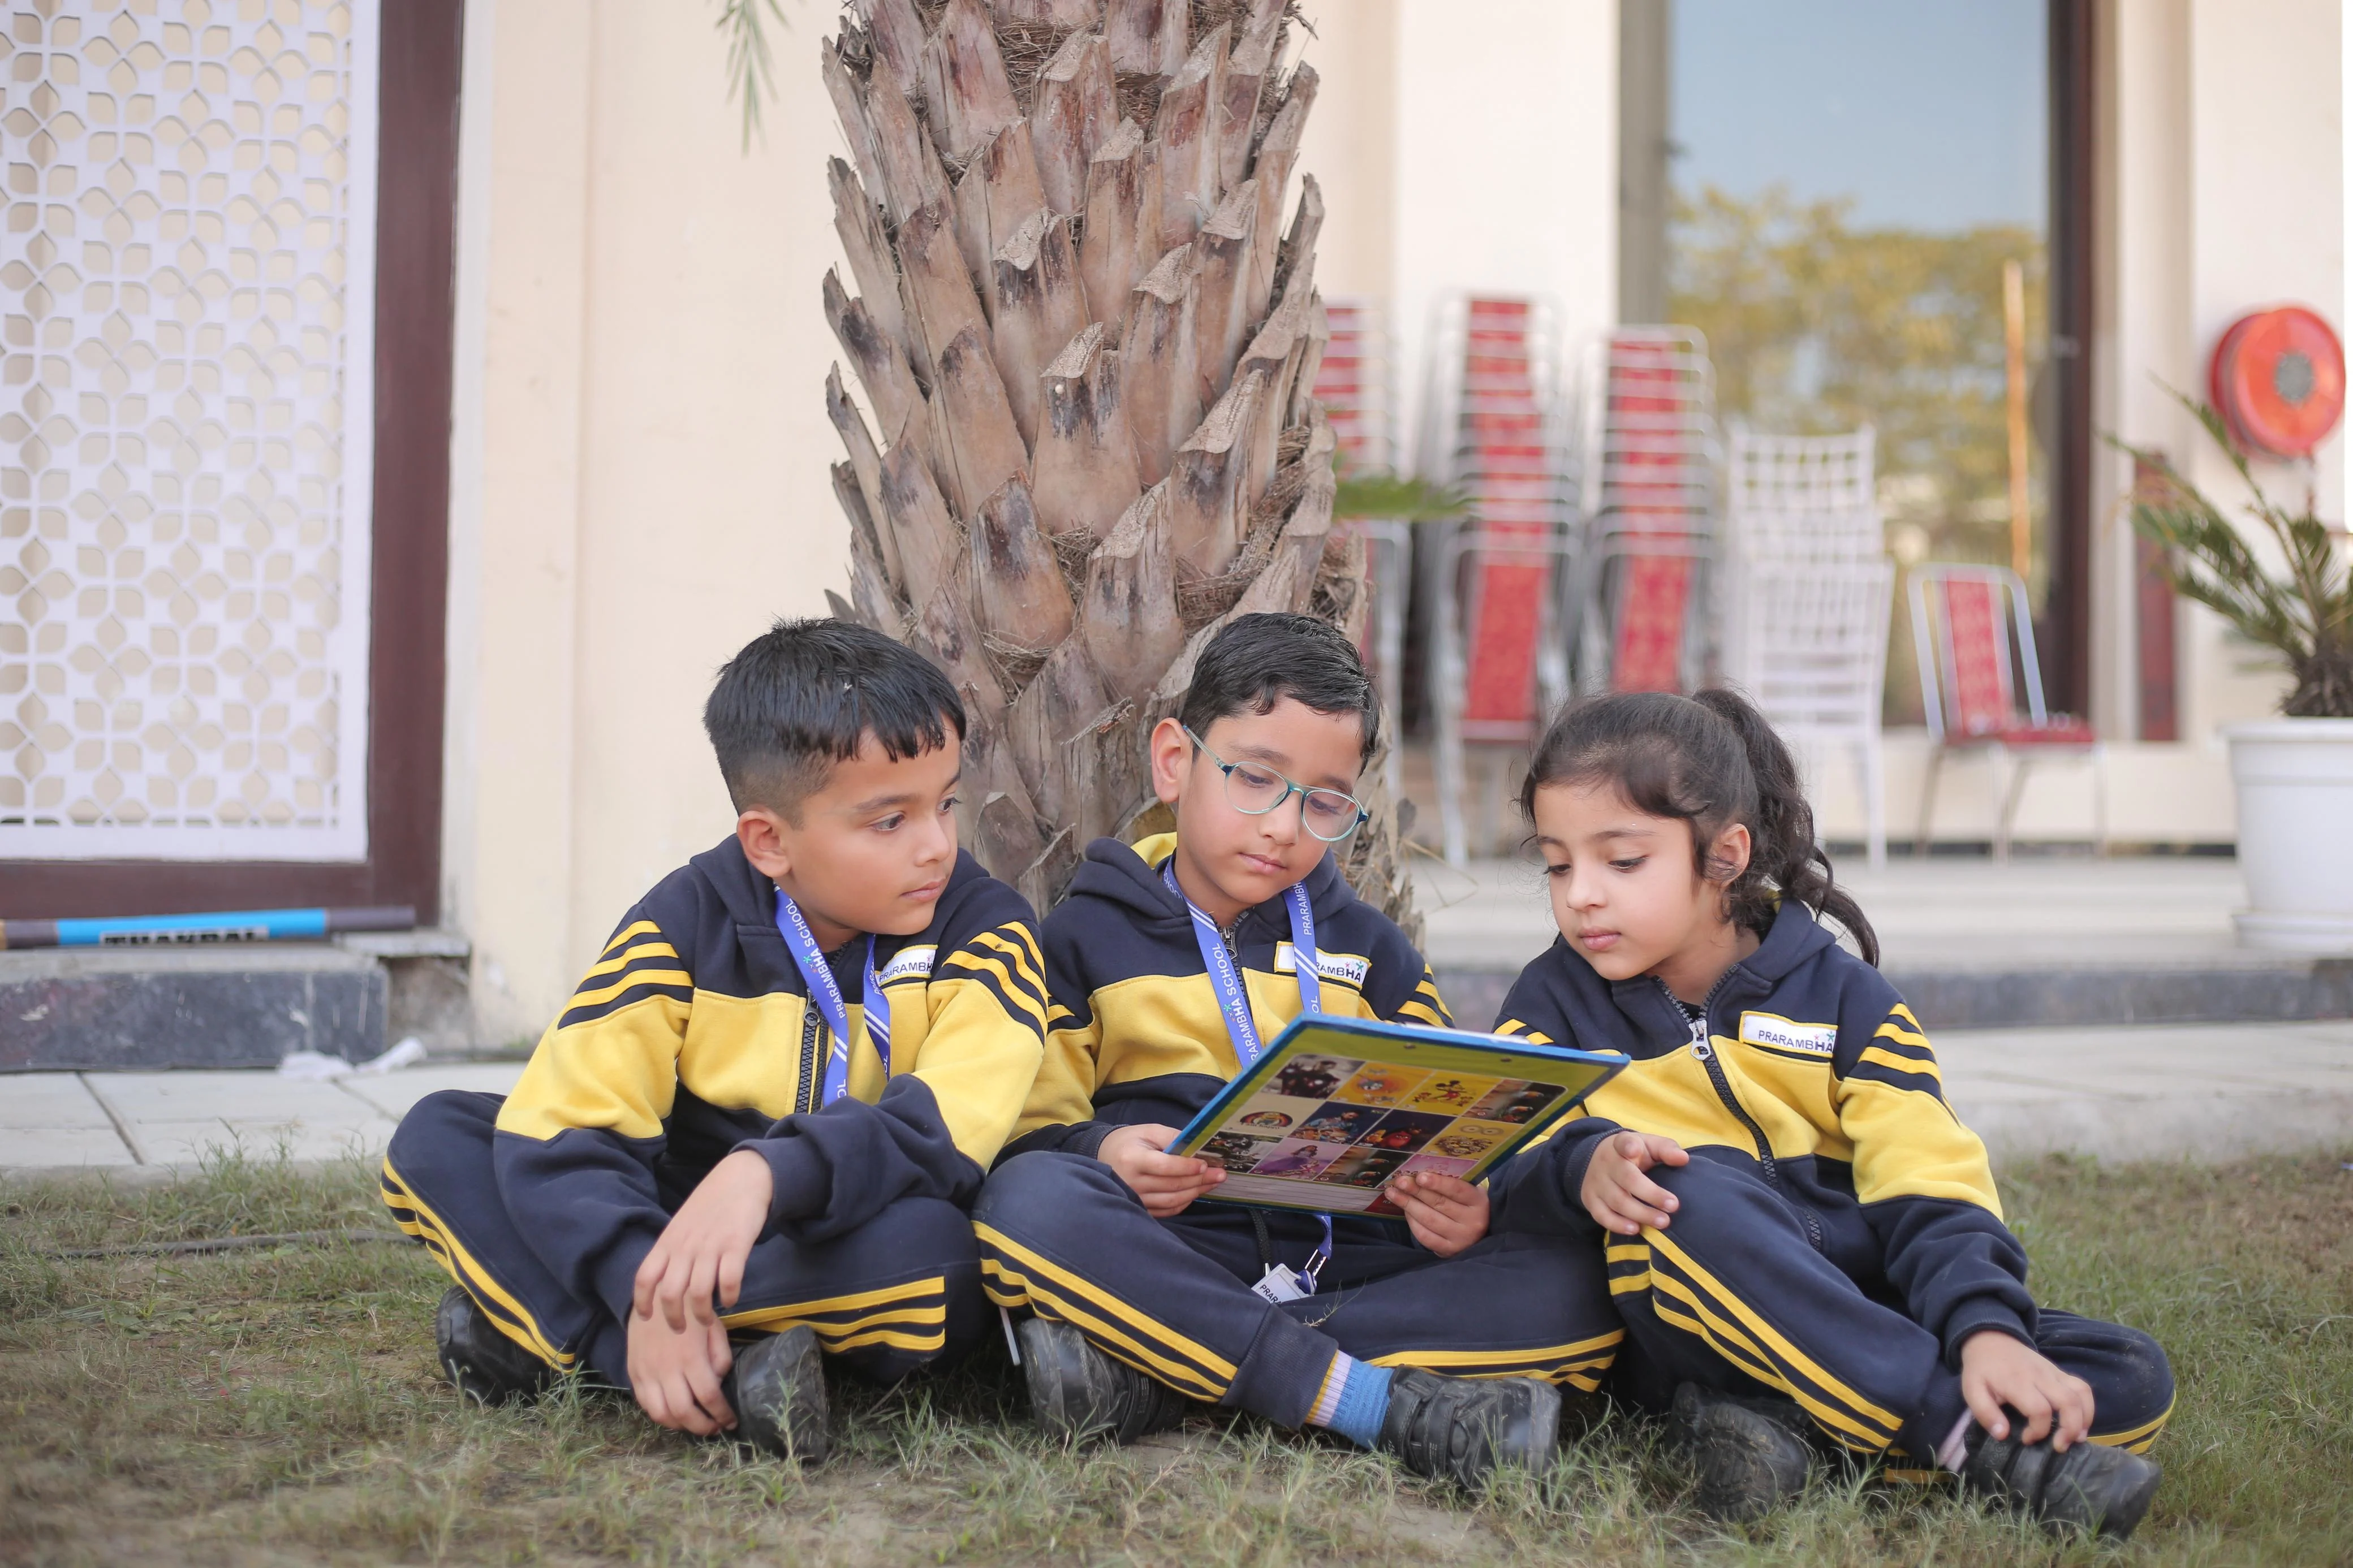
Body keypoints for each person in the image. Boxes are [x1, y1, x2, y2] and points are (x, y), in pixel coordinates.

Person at [1489, 689, 2174, 1536]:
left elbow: (1928, 1176)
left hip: (1866, 1308)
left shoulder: (1849, 1002)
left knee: (2129, 1372)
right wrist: (1580, 1163)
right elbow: (1500, 1162)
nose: (1581, 896)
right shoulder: (1552, 1005)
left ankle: (1790, 1429)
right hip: (1692, 1320)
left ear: (1725, 856)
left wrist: (1987, 1331)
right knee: (1685, 1189)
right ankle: (1957, 1436)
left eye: (1621, 862)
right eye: (1558, 865)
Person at [973, 612, 1624, 1491]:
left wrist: (1465, 1199)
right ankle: (1379, 1406)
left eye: (1322, 801)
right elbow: (1029, 1130)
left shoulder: (1372, 952)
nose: (1283, 826)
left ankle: (1164, 1370)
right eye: (1254, 779)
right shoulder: (1083, 937)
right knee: (1029, 1204)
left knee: (1577, 1288)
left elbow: (1456, 1119)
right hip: (1173, 1246)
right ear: (1175, 761)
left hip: (1345, 1260)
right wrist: (1104, 1152)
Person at [380, 619, 1048, 1461]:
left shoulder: (987, 929)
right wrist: (639, 1285)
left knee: (939, 1258)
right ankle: (675, 1352)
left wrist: (768, 1174)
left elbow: (944, 1134)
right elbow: (570, 1123)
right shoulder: (682, 921)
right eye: (889, 822)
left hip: (848, 1226)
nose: (937, 846)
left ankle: (552, 1332)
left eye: (945, 803)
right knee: (439, 1137)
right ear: (769, 842)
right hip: (674, 1221)